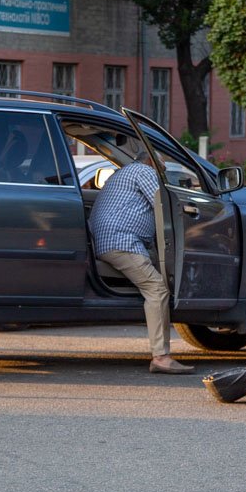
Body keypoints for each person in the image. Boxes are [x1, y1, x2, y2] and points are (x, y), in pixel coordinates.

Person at [89, 155, 193, 374]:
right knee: (156, 289)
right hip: (122, 242)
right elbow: (165, 205)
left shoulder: (123, 173)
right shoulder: (144, 171)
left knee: (159, 276)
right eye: (162, 164)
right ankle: (161, 357)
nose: (163, 169)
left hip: (114, 241)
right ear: (151, 160)